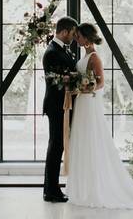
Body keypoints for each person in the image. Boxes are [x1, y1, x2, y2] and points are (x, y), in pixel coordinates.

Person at [64, 22, 133, 209]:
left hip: (89, 102)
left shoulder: (94, 57)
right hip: (81, 103)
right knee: (81, 140)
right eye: (75, 37)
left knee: (91, 139)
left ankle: (94, 188)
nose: (76, 39)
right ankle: (81, 188)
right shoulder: (84, 56)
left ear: (86, 37)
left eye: (78, 36)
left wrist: (84, 87)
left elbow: (100, 83)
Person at [41, 16, 79, 202]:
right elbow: (55, 81)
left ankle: (51, 189)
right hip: (57, 106)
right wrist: (76, 79)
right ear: (64, 31)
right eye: (72, 33)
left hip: (64, 105)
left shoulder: (62, 49)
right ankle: (51, 191)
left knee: (57, 146)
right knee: (56, 146)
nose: (73, 37)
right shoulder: (51, 52)